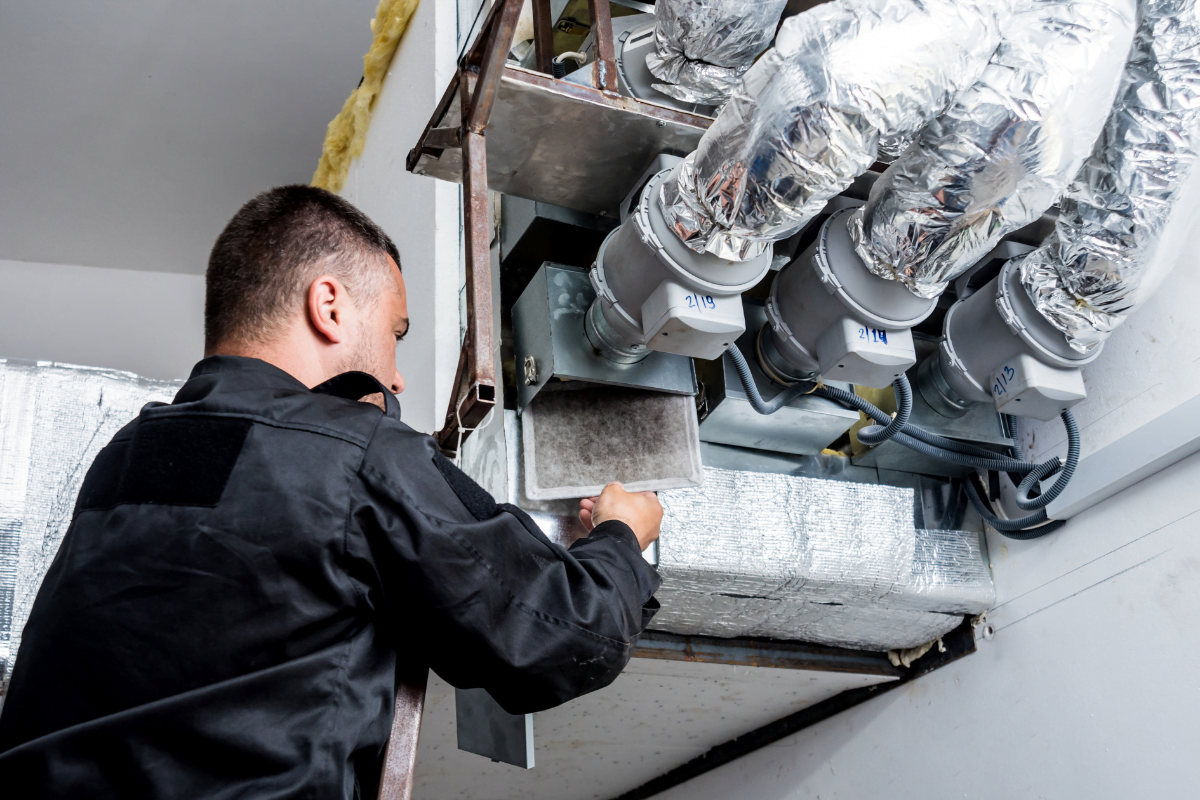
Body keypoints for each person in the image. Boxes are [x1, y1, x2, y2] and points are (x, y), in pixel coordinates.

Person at [0, 185, 664, 798]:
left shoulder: (122, 459)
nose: (398, 379)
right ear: (329, 306)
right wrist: (622, 538)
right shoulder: (350, 450)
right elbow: (562, 633)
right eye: (395, 334)